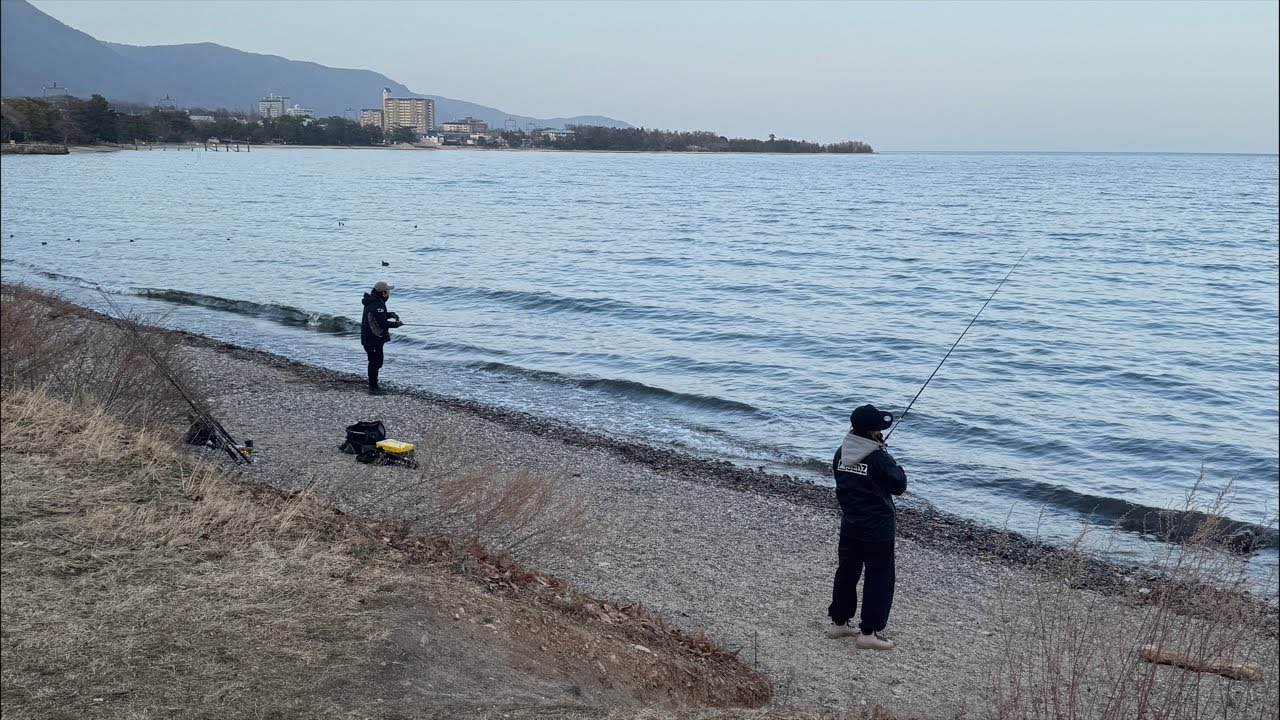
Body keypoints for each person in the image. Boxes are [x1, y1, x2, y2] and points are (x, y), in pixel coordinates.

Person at [824, 403, 907, 650]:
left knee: (847, 571)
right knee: (879, 576)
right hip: (877, 528)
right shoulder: (880, 458)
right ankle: (868, 632)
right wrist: (891, 461)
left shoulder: (841, 453)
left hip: (850, 524)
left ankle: (839, 622)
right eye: (879, 430)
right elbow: (899, 485)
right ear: (873, 432)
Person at [361, 281, 401, 395]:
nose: (389, 293)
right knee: (375, 362)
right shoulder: (376, 304)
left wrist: (390, 314)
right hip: (373, 338)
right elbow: (382, 323)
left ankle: (374, 384)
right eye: (388, 291)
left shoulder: (375, 302)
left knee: (376, 361)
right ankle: (373, 387)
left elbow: (379, 315)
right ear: (383, 292)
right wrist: (396, 324)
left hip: (371, 338)